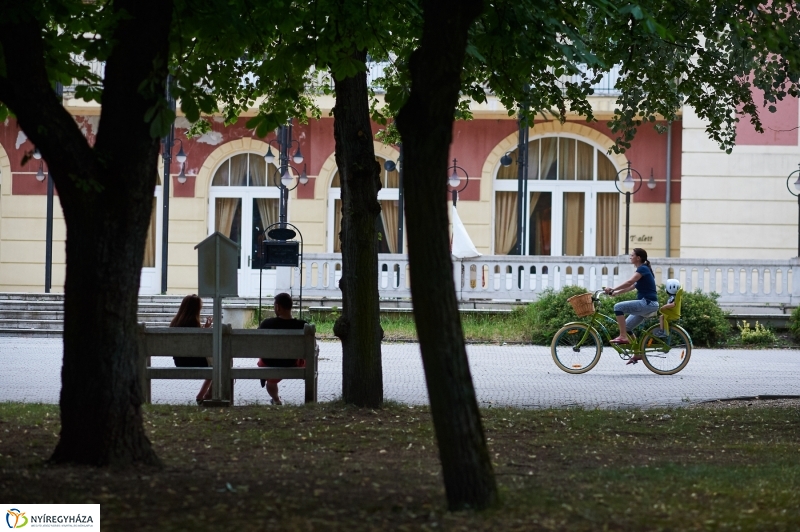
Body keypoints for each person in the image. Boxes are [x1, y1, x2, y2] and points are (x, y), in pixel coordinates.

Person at [603, 248, 659, 362]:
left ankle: (623, 336)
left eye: (632, 255)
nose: (630, 257)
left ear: (638, 258)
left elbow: (629, 282)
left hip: (647, 303)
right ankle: (638, 353)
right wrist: (617, 293)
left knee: (618, 307)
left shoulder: (642, 269)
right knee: (627, 327)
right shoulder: (643, 269)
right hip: (649, 304)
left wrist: (613, 288)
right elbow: (632, 286)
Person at [257, 293, 307, 405]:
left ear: (278, 307)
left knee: (265, 366)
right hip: (292, 363)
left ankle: (276, 400)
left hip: (269, 363)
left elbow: (256, 343)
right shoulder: (303, 325)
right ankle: (309, 399)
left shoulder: (266, 324)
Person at [170, 294, 213, 404]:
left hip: (179, 361)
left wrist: (203, 329)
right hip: (194, 361)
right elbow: (201, 346)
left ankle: (204, 395)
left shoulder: (174, 323)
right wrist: (206, 331)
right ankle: (205, 394)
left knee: (217, 363)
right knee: (222, 362)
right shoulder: (194, 322)